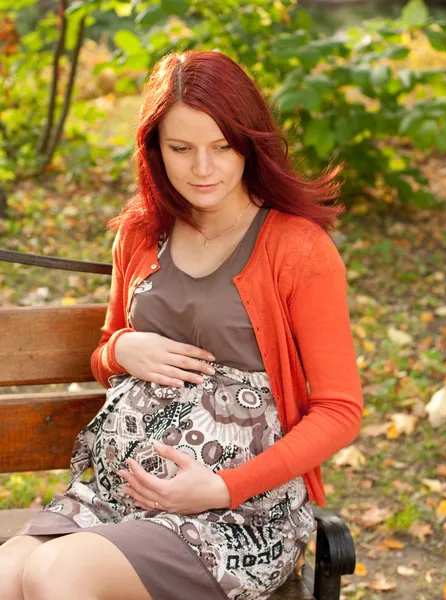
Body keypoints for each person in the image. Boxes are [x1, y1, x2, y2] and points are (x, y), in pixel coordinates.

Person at [0, 49, 363, 600]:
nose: (202, 168)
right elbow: (105, 357)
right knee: (9, 576)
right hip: (112, 498)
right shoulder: (142, 233)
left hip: (234, 520)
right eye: (181, 148)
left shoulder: (298, 249)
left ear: (250, 144)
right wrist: (123, 348)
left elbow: (340, 410)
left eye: (222, 147)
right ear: (155, 150)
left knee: (58, 575)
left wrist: (220, 487)